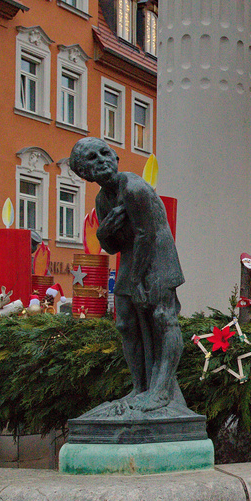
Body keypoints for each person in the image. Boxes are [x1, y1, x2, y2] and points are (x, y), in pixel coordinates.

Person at [69, 137, 185, 412]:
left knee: (163, 319)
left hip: (157, 258)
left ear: (115, 158)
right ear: (85, 173)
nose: (101, 160)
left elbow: (146, 234)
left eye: (104, 152)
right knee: (125, 324)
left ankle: (161, 390)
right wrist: (103, 231)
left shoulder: (133, 188)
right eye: (92, 159)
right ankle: (139, 387)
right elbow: (111, 247)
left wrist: (137, 282)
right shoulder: (102, 199)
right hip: (132, 260)